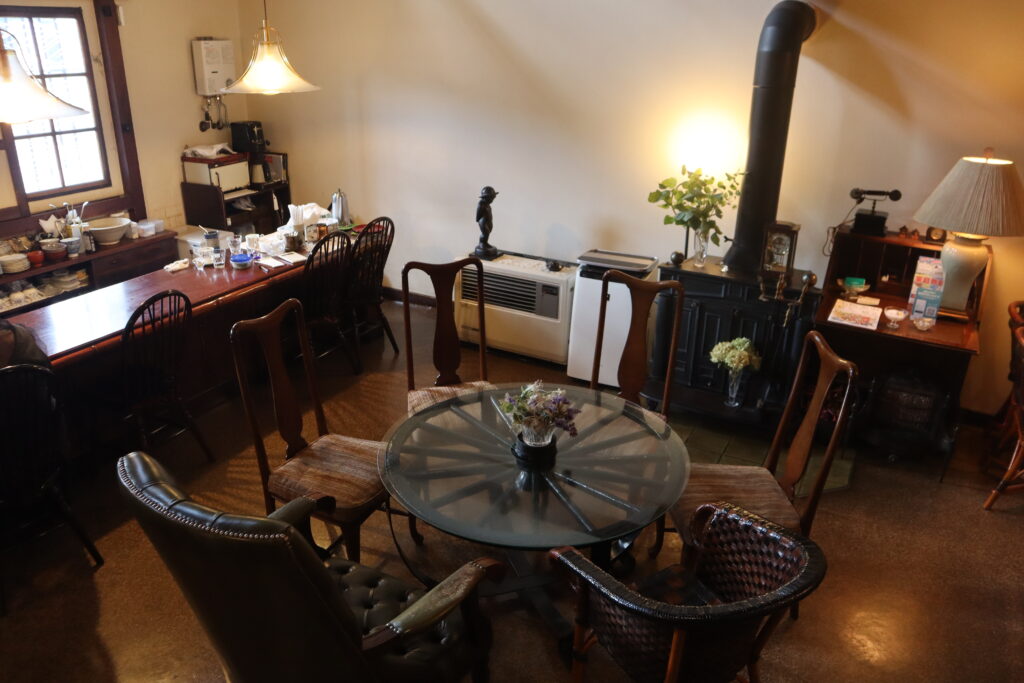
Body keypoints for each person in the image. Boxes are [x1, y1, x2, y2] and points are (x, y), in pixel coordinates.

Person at [474, 186, 499, 259]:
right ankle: (482, 244)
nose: (492, 200)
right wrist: (478, 220)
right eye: (491, 198)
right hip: (483, 221)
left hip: (488, 221)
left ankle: (485, 243)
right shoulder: (481, 204)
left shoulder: (488, 205)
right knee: (485, 233)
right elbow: (478, 215)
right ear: (486, 197)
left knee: (489, 231)